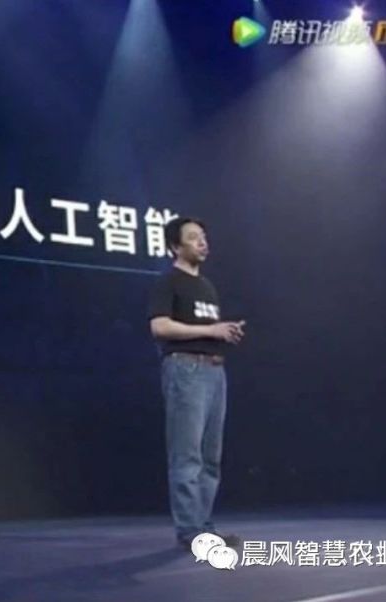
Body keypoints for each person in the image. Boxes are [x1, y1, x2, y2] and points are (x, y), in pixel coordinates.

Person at [147, 217, 245, 550]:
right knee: (187, 455)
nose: (202, 242)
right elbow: (160, 327)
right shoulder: (168, 282)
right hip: (185, 369)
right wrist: (210, 330)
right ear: (175, 246)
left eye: (203, 236)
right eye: (193, 237)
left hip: (214, 371)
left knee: (210, 458)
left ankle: (204, 527)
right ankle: (190, 531)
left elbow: (205, 328)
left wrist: (224, 332)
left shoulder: (206, 286)